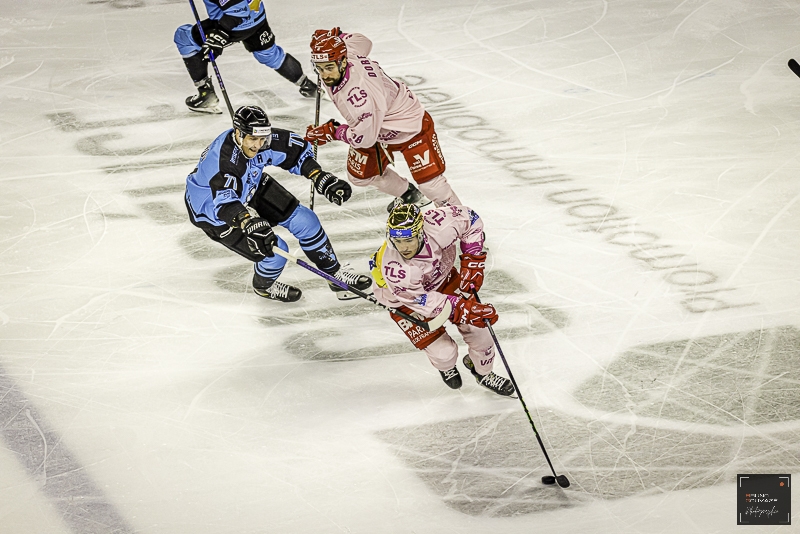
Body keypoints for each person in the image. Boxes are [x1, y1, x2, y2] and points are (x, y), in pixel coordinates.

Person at [185, 105, 371, 302]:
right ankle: (263, 287)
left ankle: (335, 275)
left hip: (249, 186)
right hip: (212, 212)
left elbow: (294, 151)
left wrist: (319, 176)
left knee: (306, 221)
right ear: (238, 134)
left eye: (261, 139)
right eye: (252, 140)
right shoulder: (225, 163)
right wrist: (248, 222)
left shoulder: (259, 140)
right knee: (275, 251)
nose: (258, 146)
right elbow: (225, 204)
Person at [304, 28, 462, 212]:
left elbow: (365, 139)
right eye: (319, 68)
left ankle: (464, 225)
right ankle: (409, 195)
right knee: (360, 175)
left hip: (409, 127)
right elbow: (364, 42)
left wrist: (333, 131)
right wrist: (340, 36)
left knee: (431, 185)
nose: (324, 75)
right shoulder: (348, 52)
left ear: (343, 61)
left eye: (329, 68)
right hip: (376, 127)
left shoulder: (361, 99)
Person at [368, 203, 515, 396]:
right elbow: (422, 301)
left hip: (444, 279)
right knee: (444, 353)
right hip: (406, 303)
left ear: (420, 232)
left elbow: (470, 220)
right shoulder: (397, 269)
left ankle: (484, 373)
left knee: (481, 333)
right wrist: (463, 309)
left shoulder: (440, 223)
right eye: (397, 241)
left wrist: (473, 260)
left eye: (409, 240)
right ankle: (446, 366)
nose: (403, 247)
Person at [173, 0, 317, 113]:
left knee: (183, 37)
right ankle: (308, 86)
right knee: (269, 54)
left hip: (234, 22)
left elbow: (238, 11)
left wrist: (220, 33)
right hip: (256, 17)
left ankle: (206, 95)